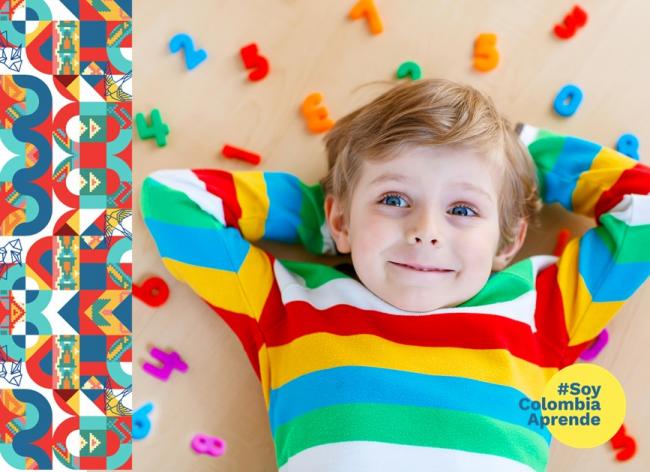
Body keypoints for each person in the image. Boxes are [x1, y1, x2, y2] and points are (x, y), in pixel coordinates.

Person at [140, 78, 650, 471]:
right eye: (394, 199)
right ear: (340, 218)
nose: (425, 231)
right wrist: (328, 221)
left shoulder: (544, 312)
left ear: (509, 239)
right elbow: (174, 200)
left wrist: (516, 147)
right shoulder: (286, 307)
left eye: (465, 209)